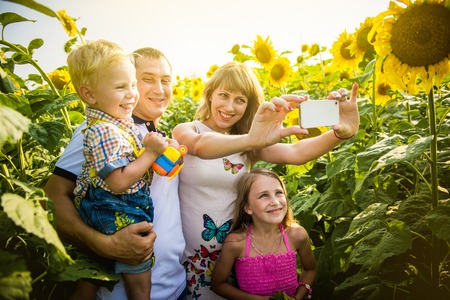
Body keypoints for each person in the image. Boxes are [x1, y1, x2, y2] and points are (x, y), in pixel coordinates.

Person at [172, 61, 359, 298]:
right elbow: (199, 147)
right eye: (223, 95)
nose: (230, 106)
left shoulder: (248, 141)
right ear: (209, 95)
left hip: (244, 258)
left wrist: (340, 134)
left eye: (240, 100)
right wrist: (253, 138)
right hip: (195, 261)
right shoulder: (189, 130)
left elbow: (296, 153)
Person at [44, 46, 187, 300]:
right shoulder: (103, 130)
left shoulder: (149, 134)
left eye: (165, 80)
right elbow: (53, 196)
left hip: (173, 286)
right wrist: (103, 245)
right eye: (147, 79)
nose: (159, 89)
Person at [211, 168, 316, 299]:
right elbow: (218, 284)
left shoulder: (297, 235)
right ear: (248, 207)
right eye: (263, 196)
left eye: (279, 193)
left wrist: (298, 297)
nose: (275, 202)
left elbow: (310, 269)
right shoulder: (236, 243)